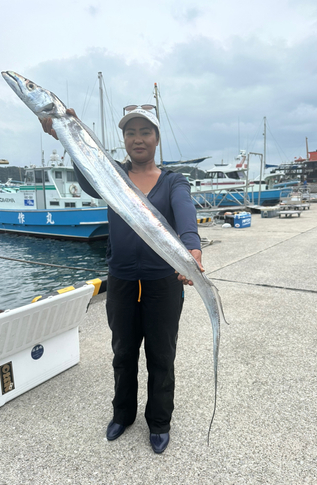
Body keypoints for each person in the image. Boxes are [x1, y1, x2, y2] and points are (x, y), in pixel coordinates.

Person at [40, 105, 203, 454]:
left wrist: (193, 249)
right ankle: (122, 415)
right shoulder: (111, 174)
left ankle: (159, 422)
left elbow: (185, 212)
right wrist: (64, 137)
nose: (138, 139)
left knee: (161, 355)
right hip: (123, 281)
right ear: (124, 140)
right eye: (131, 133)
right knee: (123, 352)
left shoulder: (173, 181)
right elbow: (85, 176)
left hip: (163, 282)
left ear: (157, 138)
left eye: (145, 132)